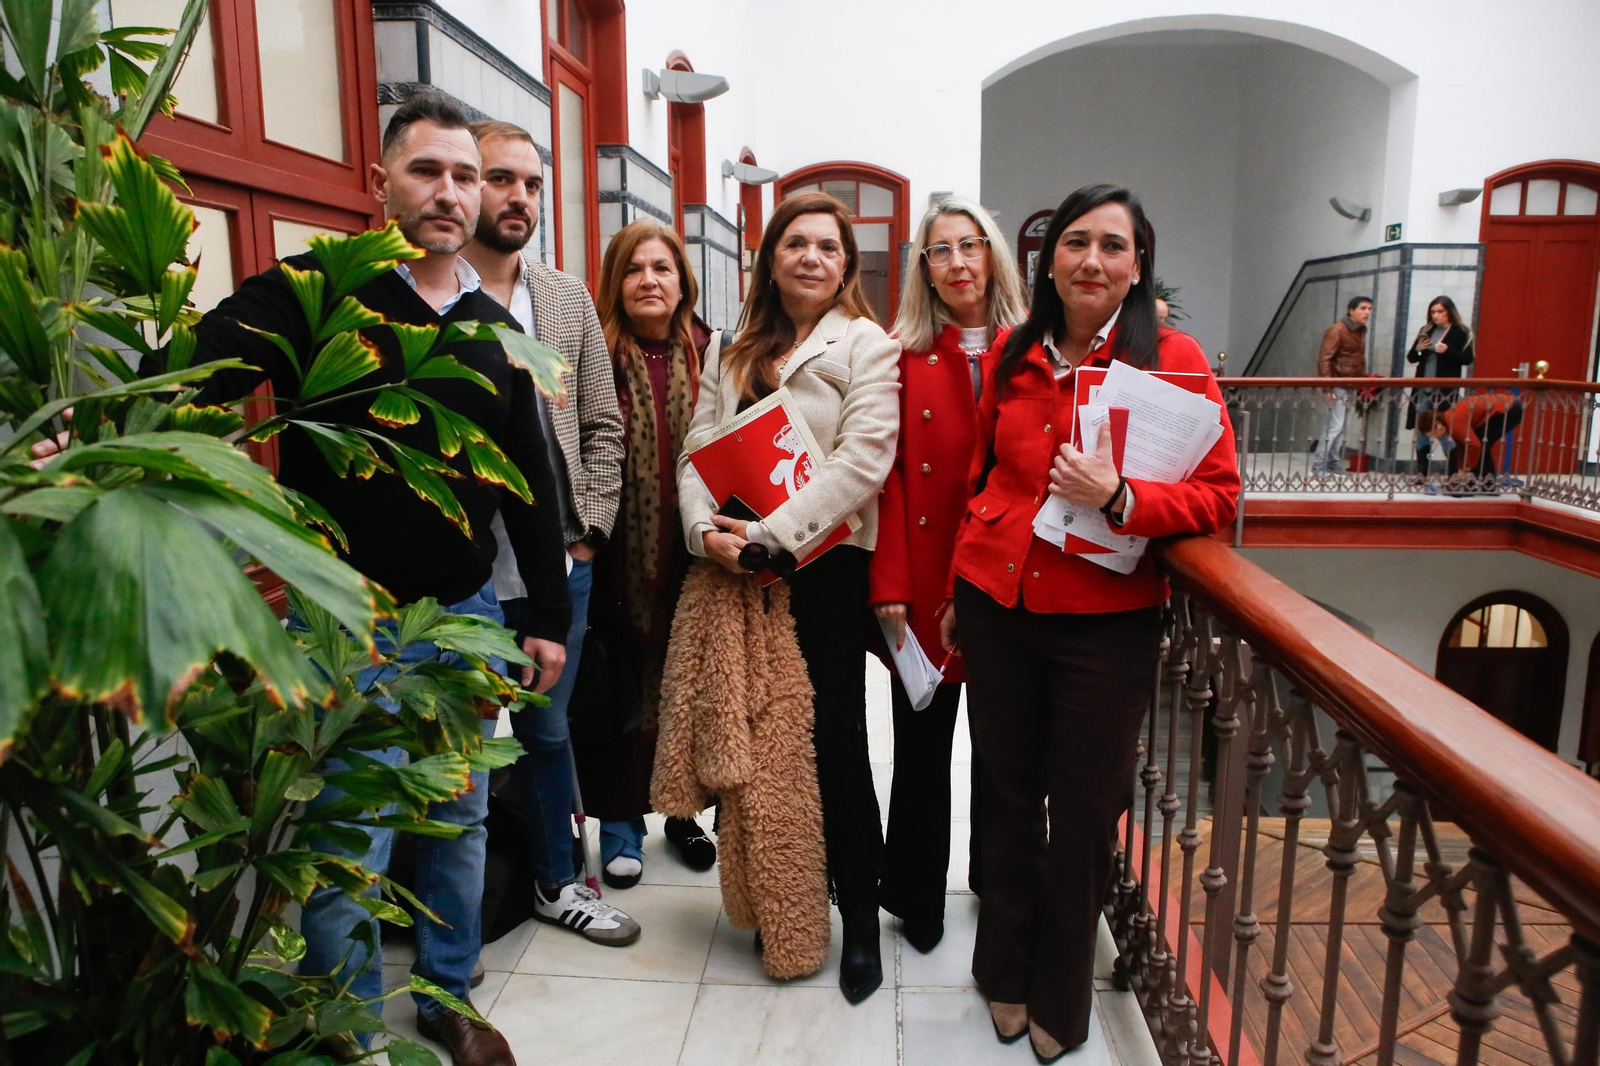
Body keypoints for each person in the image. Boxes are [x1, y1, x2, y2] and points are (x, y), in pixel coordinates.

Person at [182, 94, 569, 1066]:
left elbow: (532, 484)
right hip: (343, 614)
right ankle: (349, 1022)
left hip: (467, 612)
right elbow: (199, 368)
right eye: (427, 170)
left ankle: (447, 991)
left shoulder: (493, 327)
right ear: (380, 182)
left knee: (460, 811)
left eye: (465, 175)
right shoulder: (322, 291)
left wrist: (546, 617)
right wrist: (101, 419)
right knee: (348, 829)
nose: (450, 192)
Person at [938, 185, 1238, 1061]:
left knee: (1082, 812)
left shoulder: (1172, 359)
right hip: (999, 605)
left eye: (1113, 246)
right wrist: (961, 583)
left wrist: (1120, 497)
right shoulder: (1014, 350)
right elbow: (982, 472)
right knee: (1002, 795)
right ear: (1049, 259)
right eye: (1076, 242)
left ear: (1137, 263)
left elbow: (1218, 496)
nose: (1092, 261)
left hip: (1104, 621)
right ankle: (1003, 969)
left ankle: (1060, 995)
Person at [677, 191, 901, 1002]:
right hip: (735, 573)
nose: (811, 257)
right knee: (760, 751)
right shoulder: (734, 346)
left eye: (828, 247)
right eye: (795, 243)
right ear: (770, 257)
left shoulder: (867, 344)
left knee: (834, 745)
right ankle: (780, 899)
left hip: (822, 570)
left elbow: (863, 461)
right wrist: (707, 534)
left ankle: (862, 922)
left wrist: (775, 534)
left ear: (847, 265)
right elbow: (697, 451)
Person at [458, 120, 642, 950]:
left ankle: (557, 882)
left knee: (545, 730)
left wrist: (587, 536)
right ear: (465, 183)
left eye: (532, 185)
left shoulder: (564, 298)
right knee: (454, 742)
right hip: (454, 572)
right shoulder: (425, 293)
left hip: (553, 569)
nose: (520, 198)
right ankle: (450, 913)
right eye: (502, 179)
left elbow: (604, 425)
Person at [869, 195, 1027, 951]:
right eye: (941, 251)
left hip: (1002, 582)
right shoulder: (902, 355)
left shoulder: (1030, 351)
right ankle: (915, 895)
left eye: (970, 246)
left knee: (1001, 755)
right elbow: (890, 476)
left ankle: (997, 883)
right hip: (928, 578)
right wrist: (890, 582)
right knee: (922, 747)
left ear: (992, 254)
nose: (959, 263)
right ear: (924, 271)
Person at [576, 219, 721, 886]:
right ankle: (622, 825)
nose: (649, 280)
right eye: (634, 269)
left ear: (682, 280)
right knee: (623, 696)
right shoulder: (595, 355)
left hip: (696, 553)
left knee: (687, 689)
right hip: (617, 562)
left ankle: (684, 814)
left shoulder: (713, 354)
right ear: (616, 283)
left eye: (661, 267)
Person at [1406, 295, 1475, 472]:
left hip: (1444, 390)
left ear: (1449, 312)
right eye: (1433, 312)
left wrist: (1447, 351)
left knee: (1444, 429)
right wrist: (1418, 350)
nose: (1436, 316)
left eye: (1440, 312)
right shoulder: (1427, 330)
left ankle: (1453, 472)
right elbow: (1411, 358)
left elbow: (1467, 359)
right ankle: (1422, 472)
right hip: (1423, 389)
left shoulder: (1460, 332)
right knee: (1422, 430)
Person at [1312, 295, 1371, 475]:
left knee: (1340, 426)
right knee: (1334, 426)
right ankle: (1319, 465)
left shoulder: (1359, 330)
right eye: (1363, 308)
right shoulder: (1337, 330)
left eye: (1369, 309)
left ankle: (1332, 463)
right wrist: (1327, 387)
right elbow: (1324, 359)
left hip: (1351, 383)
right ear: (1351, 310)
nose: (1367, 312)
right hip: (1338, 383)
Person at [1417, 391, 1523, 479]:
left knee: (1481, 443)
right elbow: (1460, 447)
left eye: (1433, 434)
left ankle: (1485, 482)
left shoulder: (1454, 422)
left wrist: (1466, 469)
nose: (1436, 437)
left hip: (1509, 409)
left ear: (1438, 425)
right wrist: (1460, 469)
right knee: (1481, 443)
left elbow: (1474, 445)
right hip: (1507, 406)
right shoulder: (1449, 420)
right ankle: (1487, 482)